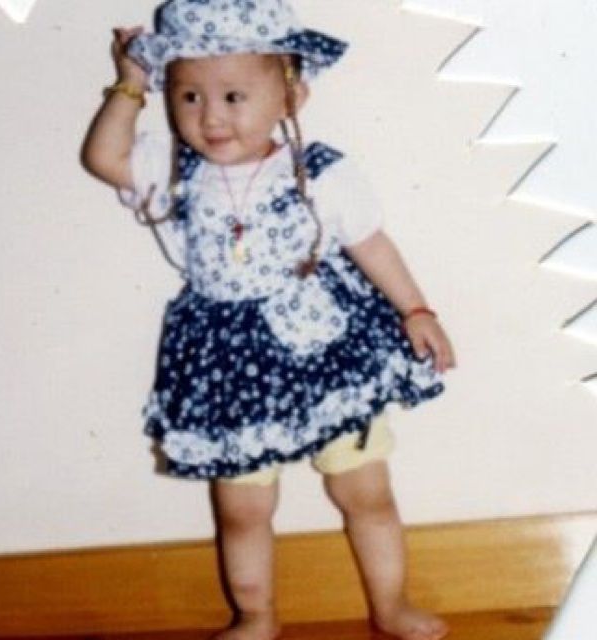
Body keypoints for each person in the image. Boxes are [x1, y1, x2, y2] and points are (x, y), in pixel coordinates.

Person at [83, 1, 456, 639]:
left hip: (326, 351)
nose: (211, 116)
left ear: (291, 96)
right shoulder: (171, 172)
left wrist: (415, 309)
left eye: (233, 96)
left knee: (365, 491)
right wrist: (131, 84)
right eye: (189, 96)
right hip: (226, 368)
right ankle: (256, 615)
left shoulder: (318, 172)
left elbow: (370, 244)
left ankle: (391, 604)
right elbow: (104, 157)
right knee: (242, 508)